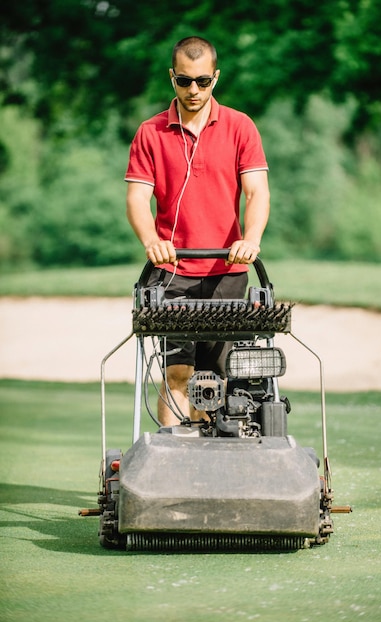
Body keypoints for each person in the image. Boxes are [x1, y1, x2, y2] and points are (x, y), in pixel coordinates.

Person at [125, 36, 270, 426]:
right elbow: (138, 199)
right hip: (173, 272)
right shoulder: (151, 132)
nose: (193, 90)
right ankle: (169, 467)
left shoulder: (240, 127)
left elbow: (257, 192)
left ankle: (207, 471)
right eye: (184, 81)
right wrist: (151, 242)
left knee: (214, 381)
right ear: (172, 77)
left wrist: (250, 239)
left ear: (215, 78)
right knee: (178, 375)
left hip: (227, 271)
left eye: (203, 81)